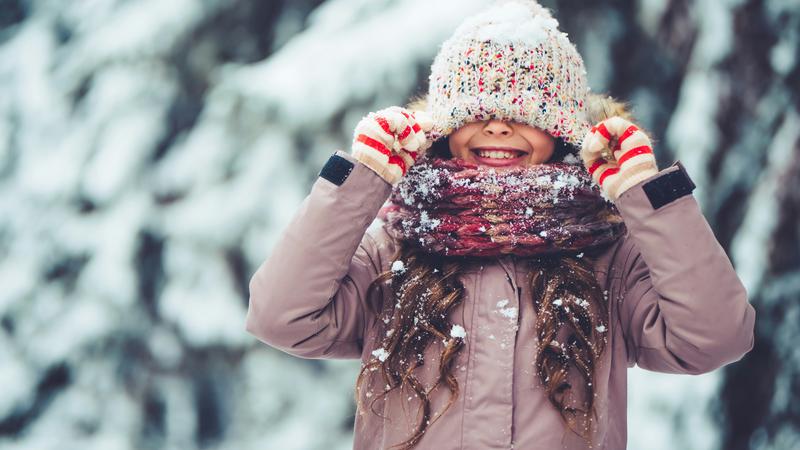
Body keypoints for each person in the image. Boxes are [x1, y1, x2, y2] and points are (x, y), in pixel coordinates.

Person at [244, 1, 756, 449]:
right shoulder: (395, 246)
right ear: (444, 128)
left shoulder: (611, 256)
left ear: (561, 133)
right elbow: (281, 317)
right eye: (475, 110)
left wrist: (649, 197)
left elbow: (715, 337)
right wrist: (359, 183)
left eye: (524, 111)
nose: (497, 126)